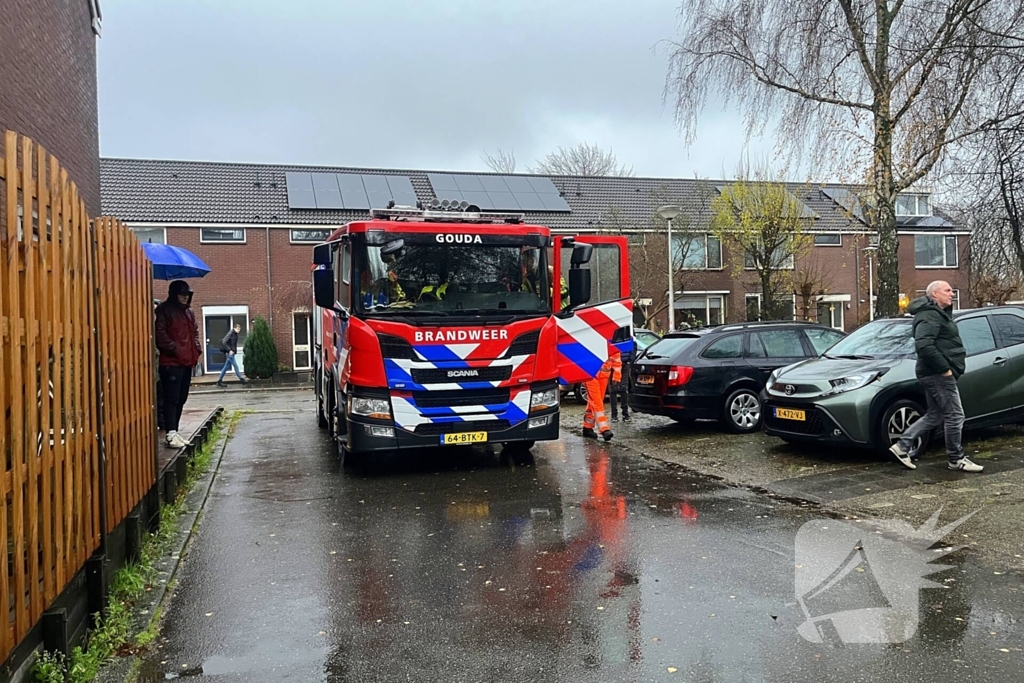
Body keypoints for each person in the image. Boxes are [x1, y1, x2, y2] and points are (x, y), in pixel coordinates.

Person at [889, 280, 983, 472]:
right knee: (956, 416)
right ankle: (956, 458)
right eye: (947, 291)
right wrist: (944, 369)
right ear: (934, 294)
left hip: (936, 373)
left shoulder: (939, 314)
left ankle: (902, 446)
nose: (952, 294)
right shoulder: (929, 316)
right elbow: (924, 345)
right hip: (937, 374)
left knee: (935, 415)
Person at [155, 280, 202, 449]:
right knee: (171, 398)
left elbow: (194, 332)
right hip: (171, 363)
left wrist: (196, 349)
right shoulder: (164, 310)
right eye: (181, 294)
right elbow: (160, 334)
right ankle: (170, 432)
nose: (184, 297)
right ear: (174, 294)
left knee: (181, 398)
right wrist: (176, 350)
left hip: (186, 362)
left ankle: (174, 431)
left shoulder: (189, 313)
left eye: (187, 294)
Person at [582, 350, 621, 442]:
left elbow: (615, 354)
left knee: (595, 401)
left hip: (603, 375)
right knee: (597, 402)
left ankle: (587, 427)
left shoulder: (609, 338)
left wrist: (617, 374)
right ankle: (604, 429)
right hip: (589, 374)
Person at [216, 323, 249, 388]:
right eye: (238, 329)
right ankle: (241, 379)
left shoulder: (235, 334)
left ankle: (219, 380)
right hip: (230, 353)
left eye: (239, 329)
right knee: (235, 366)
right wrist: (229, 350)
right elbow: (224, 342)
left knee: (226, 367)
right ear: (234, 328)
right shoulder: (230, 333)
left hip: (232, 353)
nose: (239, 330)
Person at [609, 344, 630, 422]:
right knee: (613, 389)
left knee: (623, 389)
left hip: (623, 363)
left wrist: (629, 359)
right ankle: (615, 415)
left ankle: (624, 413)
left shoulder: (628, 334)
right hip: (614, 364)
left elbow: (633, 345)